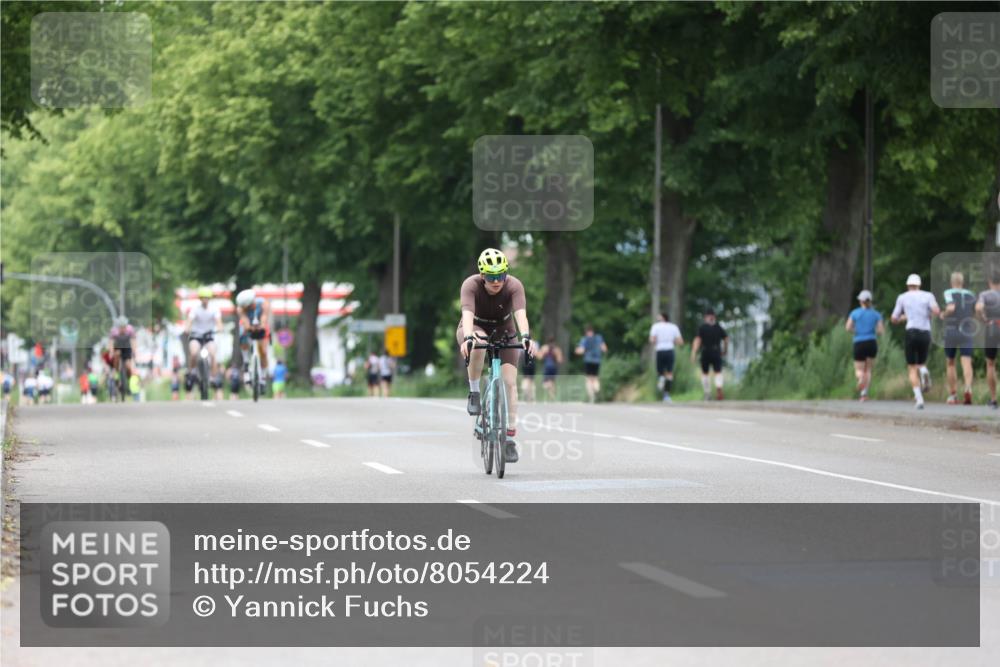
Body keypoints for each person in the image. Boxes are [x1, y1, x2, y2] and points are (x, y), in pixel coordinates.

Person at [457, 248, 532, 464]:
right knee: (479, 345)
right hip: (476, 327)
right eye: (491, 277)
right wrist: (469, 338)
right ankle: (474, 393)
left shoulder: (514, 286)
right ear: (482, 276)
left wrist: (526, 336)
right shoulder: (470, 285)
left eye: (501, 275)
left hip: (504, 330)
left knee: (510, 383)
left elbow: (521, 315)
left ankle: (509, 438)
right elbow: (467, 314)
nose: (497, 281)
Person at [891, 273, 940, 410]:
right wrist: (928, 314)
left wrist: (902, 318)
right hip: (925, 332)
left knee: (912, 367)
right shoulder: (928, 295)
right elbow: (936, 311)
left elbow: (894, 318)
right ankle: (924, 370)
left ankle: (919, 399)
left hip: (911, 331)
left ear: (908, 285)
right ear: (919, 285)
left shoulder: (902, 297)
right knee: (921, 363)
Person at [941, 272, 976, 405]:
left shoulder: (948, 292)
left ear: (951, 282)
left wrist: (944, 314)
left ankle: (953, 394)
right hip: (966, 331)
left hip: (952, 330)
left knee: (950, 362)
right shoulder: (971, 295)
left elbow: (951, 307)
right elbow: (973, 313)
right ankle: (968, 388)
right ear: (962, 282)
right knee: (966, 362)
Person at [845, 290, 884, 402]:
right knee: (868, 369)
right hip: (871, 342)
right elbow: (881, 331)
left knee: (859, 369)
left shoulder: (855, 313)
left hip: (859, 342)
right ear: (870, 301)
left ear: (860, 301)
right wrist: (872, 330)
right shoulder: (876, 314)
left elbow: (848, 327)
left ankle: (860, 378)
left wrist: (856, 330)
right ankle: (864, 394)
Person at [185, 287, 223, 394]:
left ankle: (213, 377)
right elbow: (189, 320)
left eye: (207, 298)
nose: (205, 300)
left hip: (209, 336)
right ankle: (191, 372)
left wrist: (219, 328)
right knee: (193, 352)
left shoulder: (214, 309)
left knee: (213, 354)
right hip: (196, 336)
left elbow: (219, 322)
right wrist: (187, 328)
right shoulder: (195, 309)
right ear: (200, 299)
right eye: (203, 298)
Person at [235, 289, 271, 387]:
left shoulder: (264, 304)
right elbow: (245, 321)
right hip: (249, 325)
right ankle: (246, 363)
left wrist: (261, 326)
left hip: (260, 324)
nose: (245, 309)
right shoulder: (240, 309)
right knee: (243, 337)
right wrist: (249, 328)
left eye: (247, 307)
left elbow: (264, 318)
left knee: (263, 351)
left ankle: (263, 375)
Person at [691, 309, 728, 400]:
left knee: (705, 373)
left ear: (705, 317)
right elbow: (726, 339)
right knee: (718, 372)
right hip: (716, 351)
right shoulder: (718, 327)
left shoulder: (702, 327)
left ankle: (707, 393)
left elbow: (698, 340)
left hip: (705, 352)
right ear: (714, 317)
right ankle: (719, 387)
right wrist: (725, 350)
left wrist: (694, 353)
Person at [976, 271, 1000, 409]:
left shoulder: (985, 295)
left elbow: (979, 307)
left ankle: (993, 399)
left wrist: (983, 318)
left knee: (990, 364)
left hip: (992, 327)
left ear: (990, 281)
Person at [649, 313, 684, 402]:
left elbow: (652, 340)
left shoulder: (656, 327)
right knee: (669, 373)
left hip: (660, 350)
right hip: (670, 350)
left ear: (662, 317)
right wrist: (672, 341)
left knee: (660, 372)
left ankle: (661, 380)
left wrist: (657, 341)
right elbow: (680, 341)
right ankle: (666, 395)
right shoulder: (673, 327)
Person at [575, 324, 607, 403]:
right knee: (595, 377)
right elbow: (604, 348)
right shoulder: (599, 338)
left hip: (588, 360)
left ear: (586, 332)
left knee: (588, 379)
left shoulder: (584, 339)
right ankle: (596, 388)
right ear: (593, 331)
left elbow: (581, 350)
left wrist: (577, 351)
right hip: (597, 361)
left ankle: (591, 396)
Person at [109, 316, 137, 388]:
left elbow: (133, 341)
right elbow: (111, 342)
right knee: (117, 355)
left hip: (127, 347)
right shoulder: (114, 331)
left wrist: (134, 351)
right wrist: (111, 352)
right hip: (118, 346)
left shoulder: (130, 329)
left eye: (124, 327)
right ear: (118, 327)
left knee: (128, 365)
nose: (122, 329)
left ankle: (128, 379)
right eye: (121, 327)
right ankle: (116, 373)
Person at [538, 336, 563, 401]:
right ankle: (552, 397)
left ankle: (551, 396)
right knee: (552, 382)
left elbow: (539, 357)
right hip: (554, 367)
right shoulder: (557, 349)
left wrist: (544, 355)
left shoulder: (544, 348)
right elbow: (560, 360)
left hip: (547, 366)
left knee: (545, 384)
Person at [520, 338, 540, 403]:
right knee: (531, 380)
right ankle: (532, 397)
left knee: (525, 379)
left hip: (524, 363)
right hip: (532, 362)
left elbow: (519, 354)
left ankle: (525, 393)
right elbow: (537, 354)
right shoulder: (535, 343)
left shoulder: (521, 343)